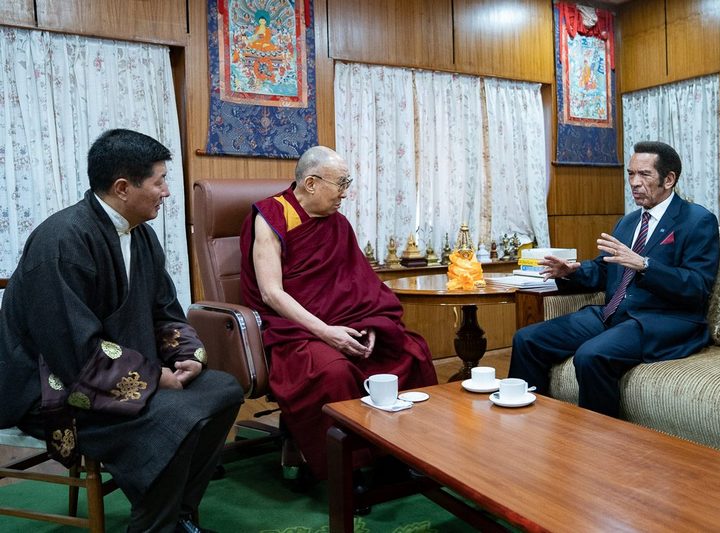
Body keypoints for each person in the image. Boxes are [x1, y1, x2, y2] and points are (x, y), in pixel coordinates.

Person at [0, 129, 243, 533]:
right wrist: (154, 378)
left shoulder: (141, 235)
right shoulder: (61, 241)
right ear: (123, 187)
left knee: (222, 389)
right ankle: (153, 525)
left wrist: (184, 355)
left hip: (114, 373)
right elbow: (73, 353)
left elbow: (165, 311)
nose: (166, 192)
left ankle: (179, 514)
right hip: (51, 387)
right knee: (175, 416)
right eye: (159, 181)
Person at [239, 146, 438, 479]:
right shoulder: (271, 217)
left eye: (348, 182)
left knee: (410, 350)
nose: (347, 192)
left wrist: (373, 322)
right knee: (333, 371)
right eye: (342, 183)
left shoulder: (338, 225)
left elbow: (360, 284)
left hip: (347, 324)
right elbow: (271, 293)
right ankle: (353, 467)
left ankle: (408, 450)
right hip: (294, 329)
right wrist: (326, 332)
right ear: (312, 183)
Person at [509, 141, 720, 417]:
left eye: (644, 175)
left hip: (661, 320)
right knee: (527, 339)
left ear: (669, 179)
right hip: (612, 314)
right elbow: (606, 269)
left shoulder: (697, 220)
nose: (634, 182)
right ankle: (529, 428)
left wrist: (645, 265)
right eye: (631, 174)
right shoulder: (628, 222)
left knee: (591, 355)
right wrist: (572, 271)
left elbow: (697, 286)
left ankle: (600, 447)